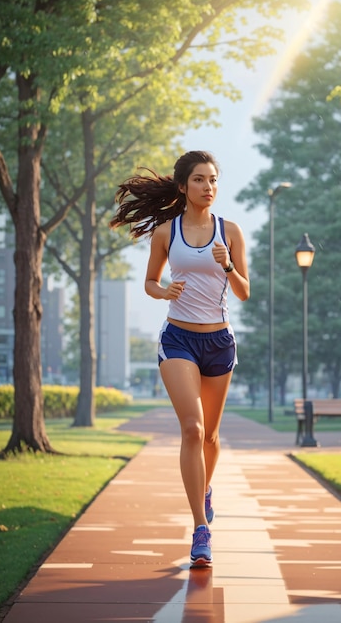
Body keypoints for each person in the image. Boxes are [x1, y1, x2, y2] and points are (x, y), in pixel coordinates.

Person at [110, 150, 250, 567]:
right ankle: (199, 530)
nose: (209, 187)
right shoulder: (166, 234)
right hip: (178, 340)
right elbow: (151, 282)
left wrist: (227, 267)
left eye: (213, 180)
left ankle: (205, 490)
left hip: (219, 342)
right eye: (200, 180)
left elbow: (244, 292)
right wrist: (163, 291)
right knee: (192, 428)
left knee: (210, 437)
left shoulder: (231, 232)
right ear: (183, 186)